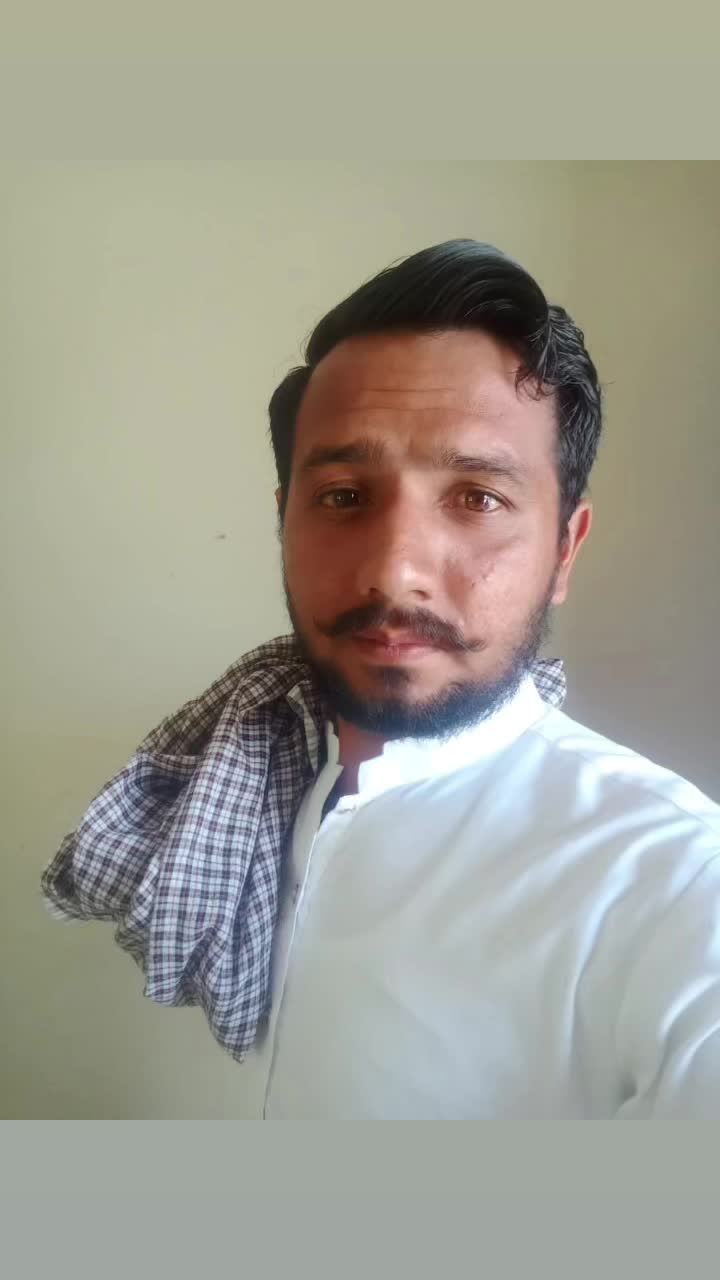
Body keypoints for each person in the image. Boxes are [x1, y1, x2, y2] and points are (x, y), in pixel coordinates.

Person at [42, 240, 720, 1118]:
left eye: (478, 497)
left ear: (565, 549)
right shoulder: (252, 785)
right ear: (284, 522)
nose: (394, 571)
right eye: (343, 496)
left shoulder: (676, 881)